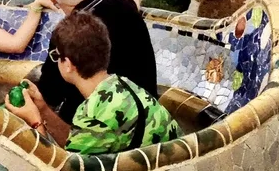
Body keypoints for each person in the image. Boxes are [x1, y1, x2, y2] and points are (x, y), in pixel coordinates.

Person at [12, 0, 156, 129]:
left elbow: (50, 94)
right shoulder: (124, 4)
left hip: (93, 127)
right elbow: (128, 1)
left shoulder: (66, 38)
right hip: (146, 115)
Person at [29, 12, 179, 155]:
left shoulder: (96, 115)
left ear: (68, 64)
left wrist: (35, 121)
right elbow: (80, 139)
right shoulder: (123, 84)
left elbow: (65, 168)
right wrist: (42, 109)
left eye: (57, 55)